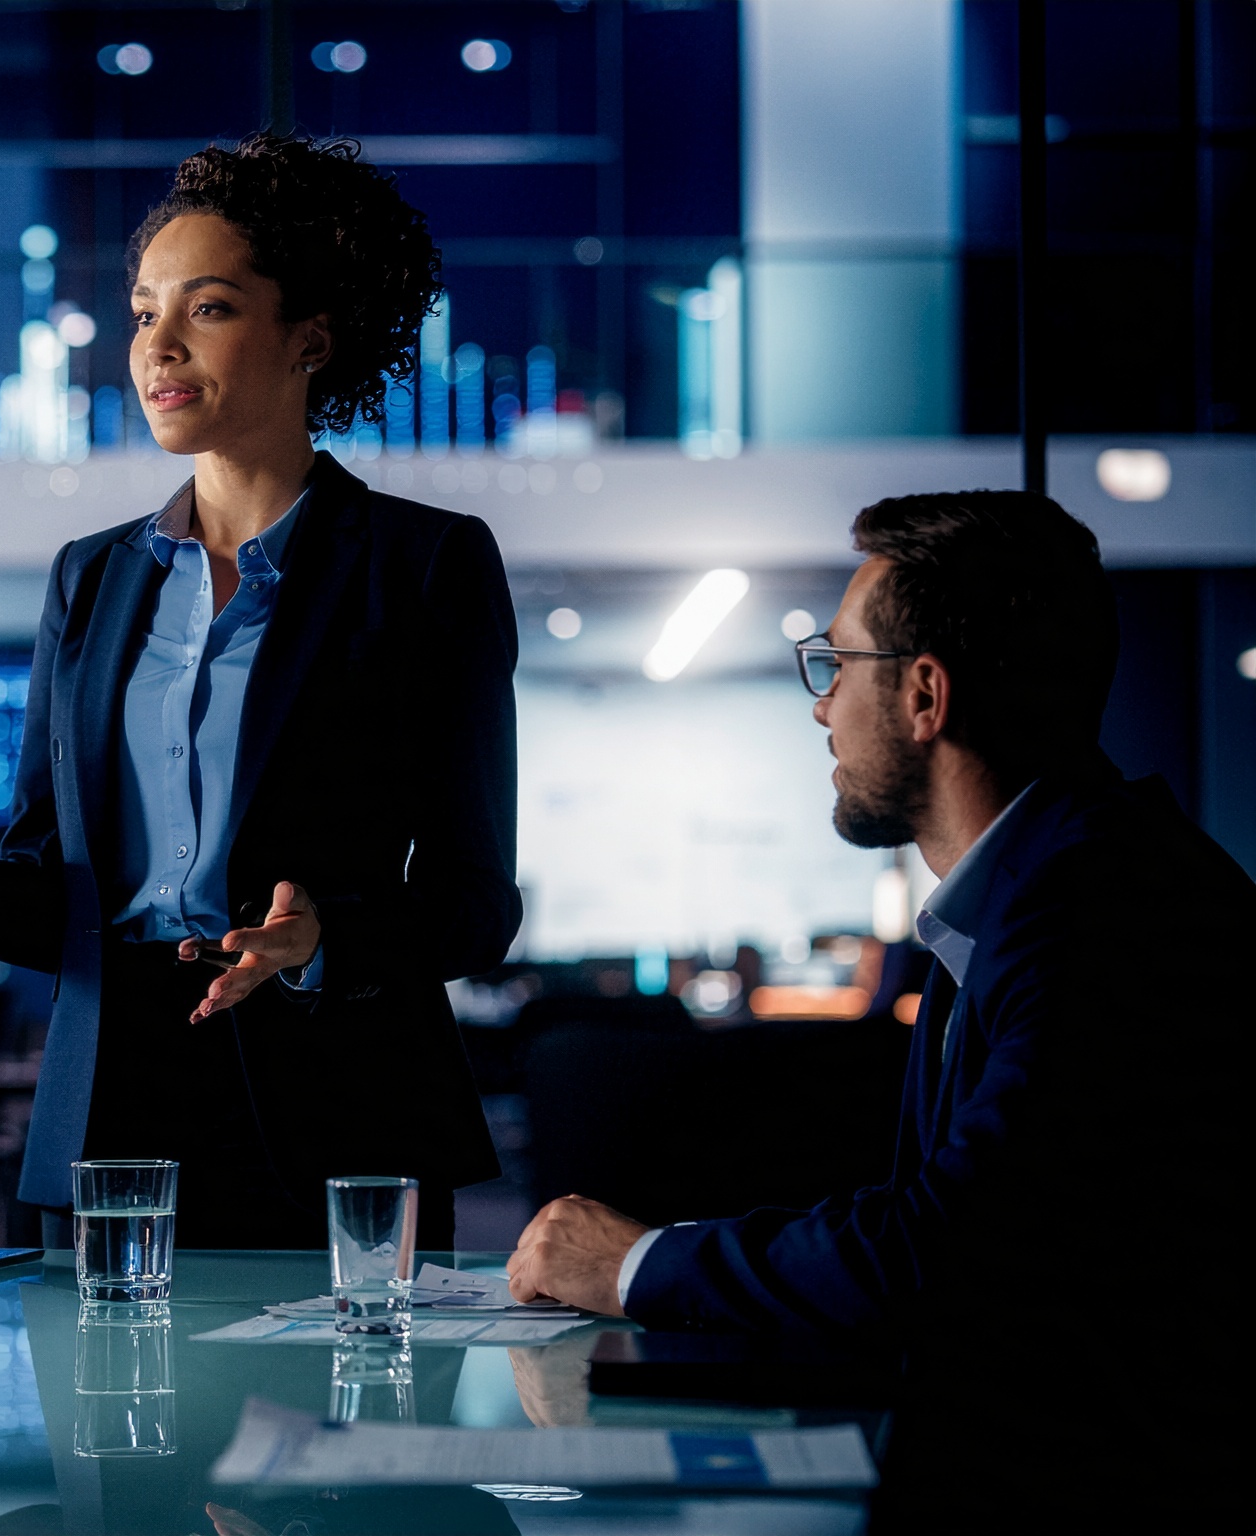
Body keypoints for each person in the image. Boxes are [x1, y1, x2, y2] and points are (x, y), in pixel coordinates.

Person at [0, 133, 517, 1250]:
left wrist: (323, 940)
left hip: (343, 1112)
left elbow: (475, 902)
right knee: (108, 1422)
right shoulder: (93, 578)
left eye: (208, 308)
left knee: (349, 1425)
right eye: (141, 312)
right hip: (110, 1116)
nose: (157, 346)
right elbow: (47, 897)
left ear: (310, 337)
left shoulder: (422, 566)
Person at [505, 491, 1250, 1523]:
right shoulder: (1022, 901)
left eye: (837, 665)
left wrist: (634, 1264)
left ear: (924, 698)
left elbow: (953, 1251)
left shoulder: (1103, 912)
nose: (819, 706)